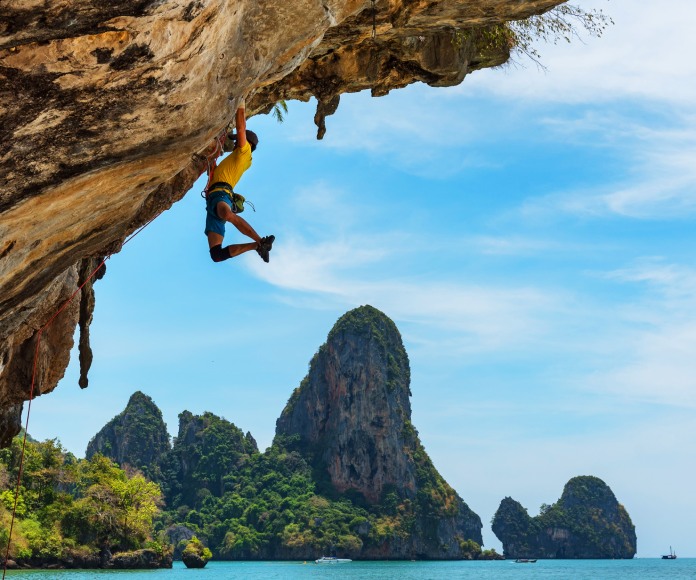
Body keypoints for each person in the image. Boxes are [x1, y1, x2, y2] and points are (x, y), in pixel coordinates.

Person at [205, 99, 275, 263]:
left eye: (237, 140)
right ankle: (257, 246)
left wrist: (240, 103)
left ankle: (260, 241)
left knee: (228, 215)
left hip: (221, 194)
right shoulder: (240, 159)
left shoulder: (245, 152)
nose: (235, 142)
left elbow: (241, 127)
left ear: (247, 143)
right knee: (216, 255)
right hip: (214, 200)